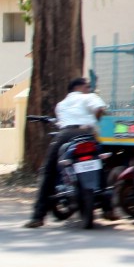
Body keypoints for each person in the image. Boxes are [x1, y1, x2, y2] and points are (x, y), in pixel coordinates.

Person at [24, 77, 108, 228]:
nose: (89, 89)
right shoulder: (89, 97)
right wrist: (95, 120)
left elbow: (61, 121)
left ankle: (38, 216)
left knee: (48, 171)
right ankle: (108, 208)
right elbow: (100, 109)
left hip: (66, 134)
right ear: (79, 87)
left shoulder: (61, 105)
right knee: (101, 163)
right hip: (88, 134)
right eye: (87, 86)